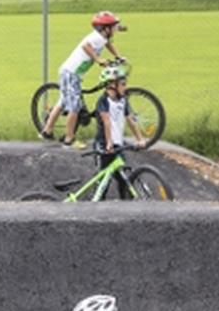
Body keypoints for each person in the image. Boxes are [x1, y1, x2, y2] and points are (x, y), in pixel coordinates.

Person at [39, 11, 126, 147]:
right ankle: (69, 139)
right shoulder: (96, 37)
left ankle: (47, 131)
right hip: (71, 73)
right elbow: (85, 46)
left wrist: (118, 56)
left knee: (63, 102)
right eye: (113, 26)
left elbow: (108, 43)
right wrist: (98, 59)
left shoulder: (102, 37)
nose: (115, 29)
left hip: (70, 72)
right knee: (75, 107)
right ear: (105, 28)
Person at [93, 64, 147, 199]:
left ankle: (125, 205)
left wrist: (140, 139)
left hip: (118, 144)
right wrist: (109, 143)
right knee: (103, 182)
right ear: (112, 85)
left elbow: (130, 120)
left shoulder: (123, 100)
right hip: (104, 144)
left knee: (123, 179)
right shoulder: (103, 101)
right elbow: (107, 122)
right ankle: (96, 204)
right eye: (122, 84)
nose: (125, 87)